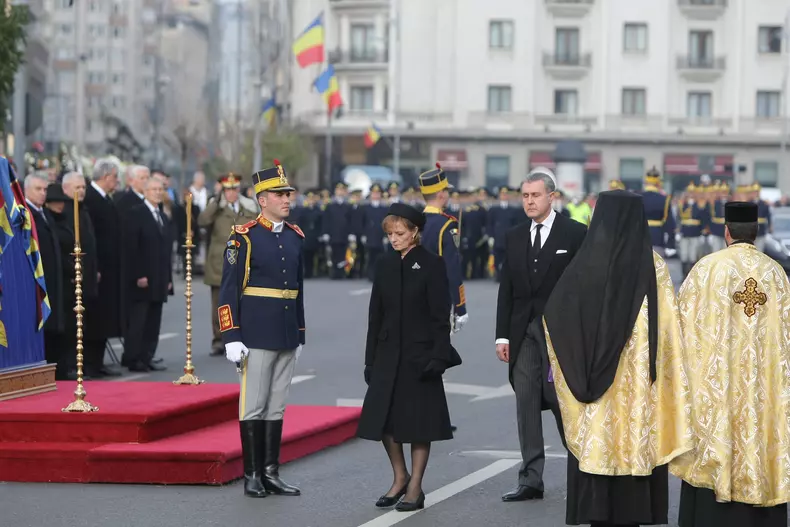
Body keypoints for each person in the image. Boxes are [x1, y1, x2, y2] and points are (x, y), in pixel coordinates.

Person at [543, 190, 692, 527]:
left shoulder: (586, 260)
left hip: (594, 391)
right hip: (637, 391)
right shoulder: (652, 265)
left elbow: (554, 314)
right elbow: (669, 333)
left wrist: (577, 362)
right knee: (633, 448)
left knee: (599, 448)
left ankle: (596, 514)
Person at [670, 201, 790, 527]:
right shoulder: (776, 275)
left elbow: (680, 333)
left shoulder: (706, 270)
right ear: (757, 232)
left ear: (726, 232)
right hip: (763, 397)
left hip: (717, 391)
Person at [357, 202, 461, 512]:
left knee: (418, 423)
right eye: (389, 233)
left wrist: (439, 356)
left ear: (415, 232)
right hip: (388, 353)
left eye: (399, 233)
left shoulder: (432, 264)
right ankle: (399, 476)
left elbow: (440, 315)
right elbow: (375, 314)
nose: (394, 238)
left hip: (421, 355)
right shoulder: (385, 264)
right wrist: (369, 359)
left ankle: (415, 486)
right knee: (385, 420)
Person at [494, 167, 587, 502]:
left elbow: (583, 287)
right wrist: (502, 336)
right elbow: (507, 289)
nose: (529, 202)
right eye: (525, 196)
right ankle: (531, 478)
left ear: (552, 196)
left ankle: (584, 471)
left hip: (561, 334)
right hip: (523, 333)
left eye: (535, 195)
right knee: (527, 403)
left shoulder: (575, 233)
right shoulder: (515, 236)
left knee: (564, 402)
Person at [218, 160, 305, 498]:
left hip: (284, 332)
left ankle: (271, 472)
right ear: (262, 199)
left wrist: (299, 333)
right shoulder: (244, 237)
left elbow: (297, 290)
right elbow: (228, 290)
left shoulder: (296, 237)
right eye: (279, 194)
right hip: (255, 333)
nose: (286, 199)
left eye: (288, 194)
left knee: (277, 404)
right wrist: (231, 336)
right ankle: (252, 474)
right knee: (253, 404)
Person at [197, 173, 258, 356]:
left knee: (244, 301)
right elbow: (201, 221)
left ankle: (242, 337)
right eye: (227, 190)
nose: (231, 193)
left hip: (244, 260)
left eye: (234, 189)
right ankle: (219, 340)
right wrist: (216, 202)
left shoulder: (248, 206)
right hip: (219, 262)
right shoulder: (216, 207)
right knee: (219, 304)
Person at [419, 163, 468, 333]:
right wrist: (460, 307)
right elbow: (452, 269)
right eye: (447, 191)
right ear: (441, 194)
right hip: (437, 300)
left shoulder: (412, 222)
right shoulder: (447, 225)